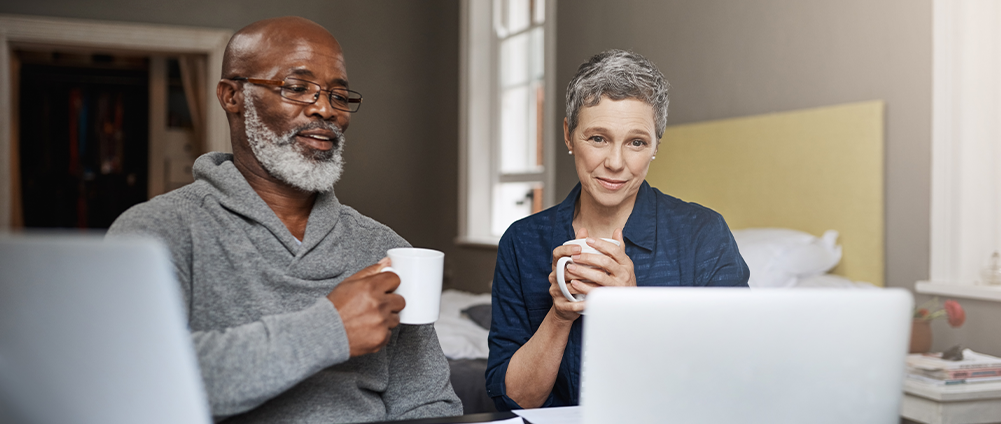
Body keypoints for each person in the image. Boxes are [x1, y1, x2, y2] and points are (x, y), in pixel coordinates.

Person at [107, 17, 462, 423]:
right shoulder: (155, 233)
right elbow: (135, 383)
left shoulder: (382, 246)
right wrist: (329, 328)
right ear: (232, 95)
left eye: (339, 96)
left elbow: (429, 403)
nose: (325, 109)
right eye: (297, 88)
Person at [485, 49, 750, 411]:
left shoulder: (702, 235)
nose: (615, 163)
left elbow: (735, 382)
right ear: (568, 135)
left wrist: (632, 310)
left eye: (636, 142)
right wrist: (560, 315)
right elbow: (513, 400)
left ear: (656, 145)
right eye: (597, 138)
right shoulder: (522, 241)